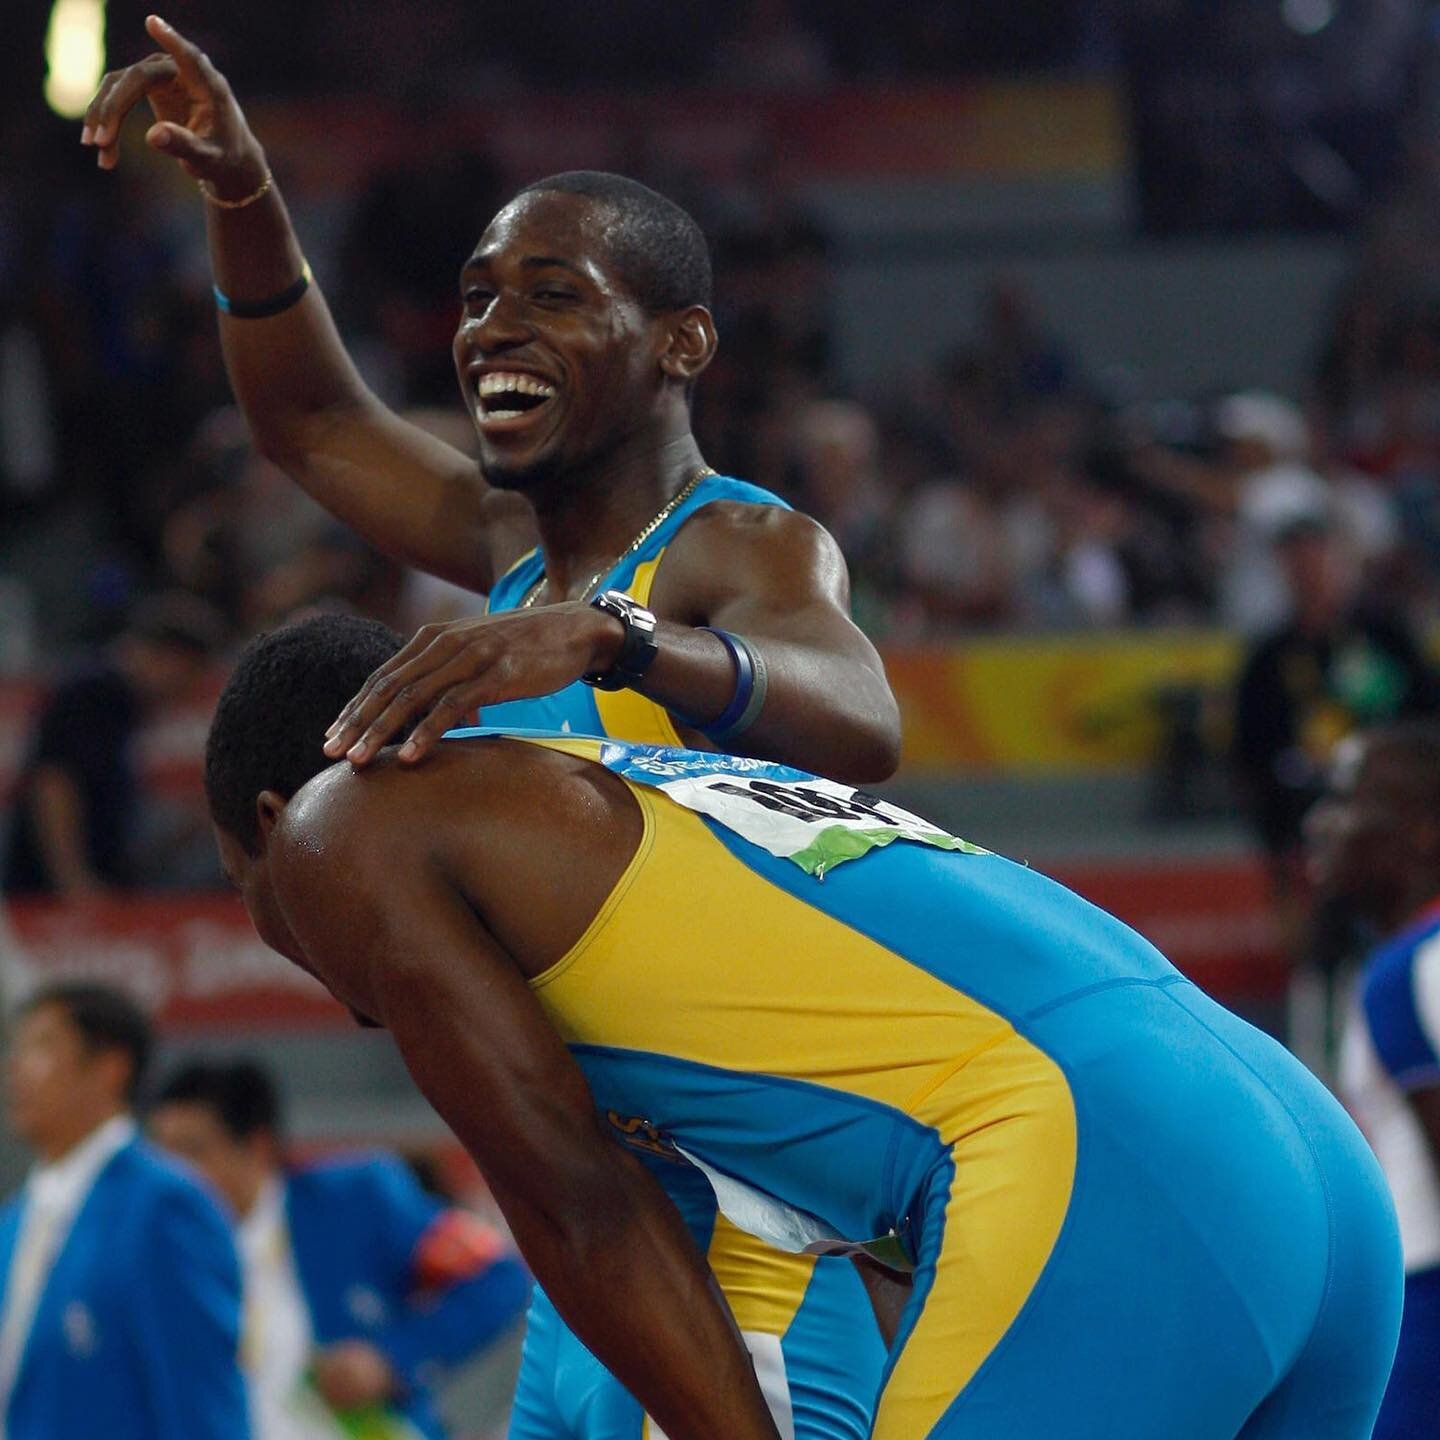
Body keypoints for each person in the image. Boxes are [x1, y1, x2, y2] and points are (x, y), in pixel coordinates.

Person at [87, 18, 901, 1437]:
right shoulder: (509, 551)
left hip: (740, 1250)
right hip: (587, 1265)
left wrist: (621, 638)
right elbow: (312, 423)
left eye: (550, 294)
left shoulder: (734, 547)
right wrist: (243, 197)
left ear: (680, 343)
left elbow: (865, 713)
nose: (491, 329)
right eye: (474, 297)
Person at [205, 613, 1403, 1440]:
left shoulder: (336, 827)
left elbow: (581, 1210)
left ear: (271, 817)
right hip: (1295, 1142)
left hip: (1097, 1157)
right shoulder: (601, 783)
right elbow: (646, 1222)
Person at [149, 1057, 529, 1440]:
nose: (171, 1175)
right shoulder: (156, 1246)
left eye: (192, 1151)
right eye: (161, 1156)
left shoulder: (356, 1200)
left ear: (257, 1145)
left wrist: (389, 1358)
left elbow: (498, 1275)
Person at [0, 982, 248, 1440]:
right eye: (15, 1048)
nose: (14, 1067)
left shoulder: (165, 1207)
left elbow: (201, 1407)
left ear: (109, 1068)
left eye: (42, 1045)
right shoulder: (14, 1222)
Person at [1308, 725, 1440, 1440]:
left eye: (1345, 800)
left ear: (1422, 832)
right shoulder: (1406, 962)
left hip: (1426, 1314)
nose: (1317, 822)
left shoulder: (1410, 972)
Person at [2, 592, 223, 898]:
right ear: (165, 658)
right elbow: (53, 783)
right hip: (45, 895)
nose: (188, 687)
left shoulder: (126, 710)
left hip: (89, 885)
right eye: (189, 671)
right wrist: (74, 881)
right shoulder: (92, 694)